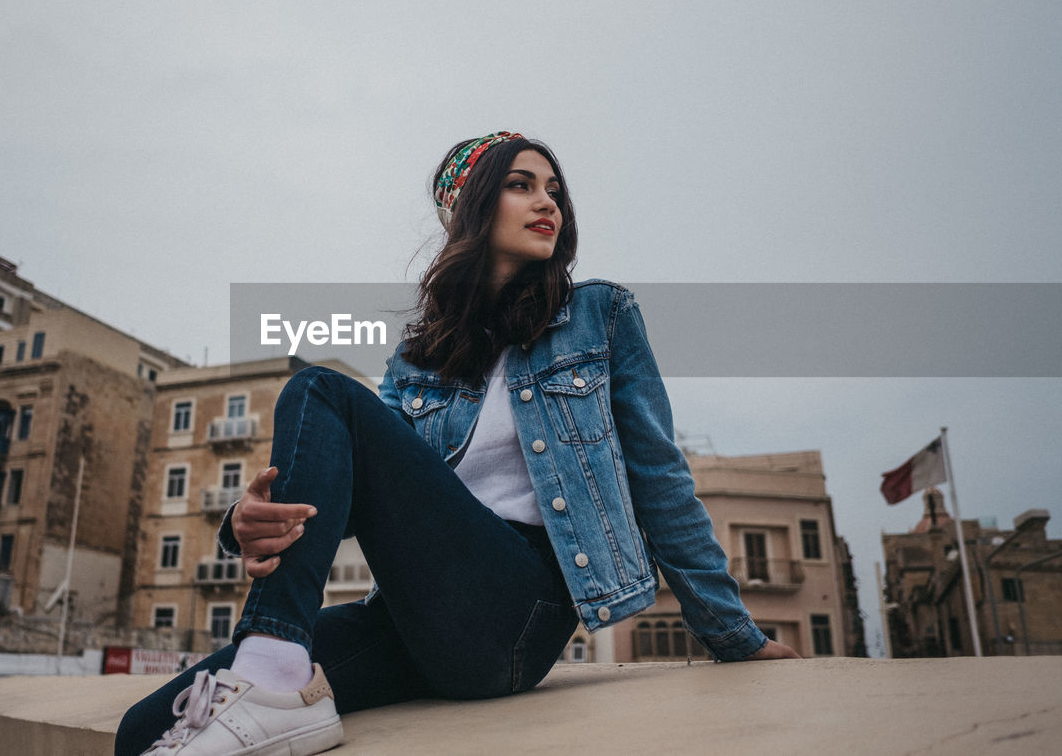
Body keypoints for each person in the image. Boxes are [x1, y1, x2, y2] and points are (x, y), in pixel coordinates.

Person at [115, 131, 799, 756]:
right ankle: (274, 667)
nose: (547, 203)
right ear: (472, 210)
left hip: (518, 614)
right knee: (141, 733)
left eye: (554, 190)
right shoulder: (420, 362)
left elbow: (660, 480)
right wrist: (242, 525)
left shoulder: (600, 316)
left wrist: (734, 636)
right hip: (419, 622)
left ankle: (272, 669)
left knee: (319, 387)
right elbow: (348, 497)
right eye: (522, 185)